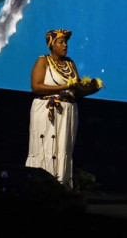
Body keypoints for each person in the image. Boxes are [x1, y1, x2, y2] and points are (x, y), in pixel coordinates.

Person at [25, 29, 98, 188]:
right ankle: (39, 186)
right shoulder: (43, 61)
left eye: (66, 42)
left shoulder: (70, 63)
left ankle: (61, 187)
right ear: (52, 45)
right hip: (46, 110)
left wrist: (92, 88)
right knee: (45, 147)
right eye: (61, 42)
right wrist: (64, 86)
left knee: (62, 148)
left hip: (67, 112)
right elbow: (36, 86)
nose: (65, 45)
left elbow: (75, 91)